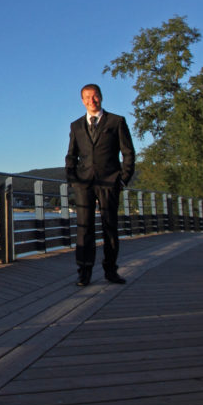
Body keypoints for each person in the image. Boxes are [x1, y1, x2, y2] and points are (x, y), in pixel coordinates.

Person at [64, 84, 135, 287]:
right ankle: (84, 273)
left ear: (101, 97)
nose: (91, 100)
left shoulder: (116, 121)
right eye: (87, 97)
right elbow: (71, 155)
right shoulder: (76, 126)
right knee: (84, 229)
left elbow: (128, 153)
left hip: (110, 182)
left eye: (94, 96)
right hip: (84, 184)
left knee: (109, 228)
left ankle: (110, 271)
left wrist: (123, 178)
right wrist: (72, 178)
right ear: (82, 100)